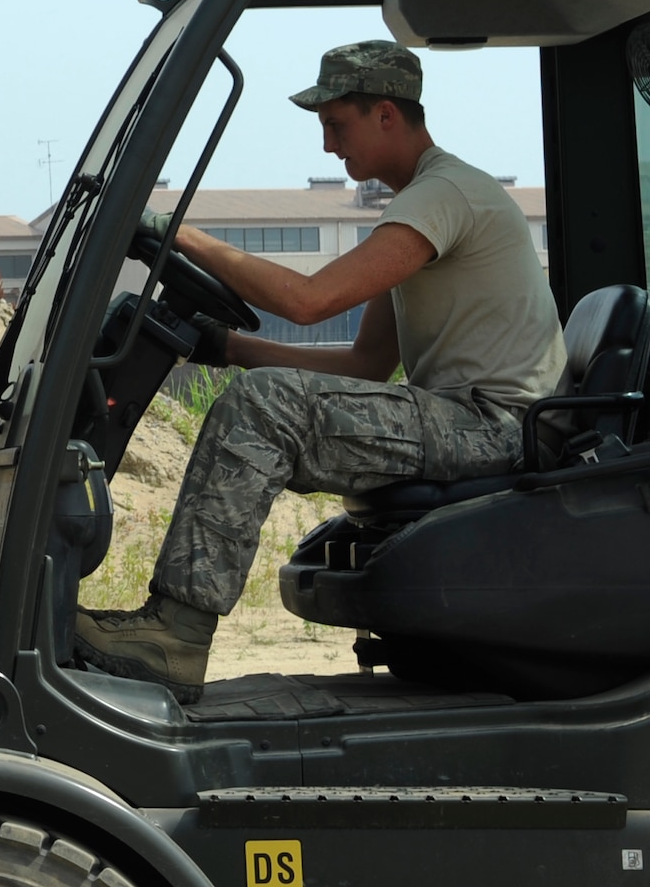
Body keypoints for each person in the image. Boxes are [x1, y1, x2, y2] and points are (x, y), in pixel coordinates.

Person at [74, 40, 566, 701]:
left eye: (338, 125)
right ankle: (170, 628)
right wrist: (223, 346)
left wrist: (177, 233)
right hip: (470, 418)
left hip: (494, 425)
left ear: (387, 115)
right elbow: (367, 365)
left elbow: (310, 301)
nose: (331, 148)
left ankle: (175, 635)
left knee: (261, 405)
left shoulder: (443, 194)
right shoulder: (423, 204)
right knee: (261, 395)